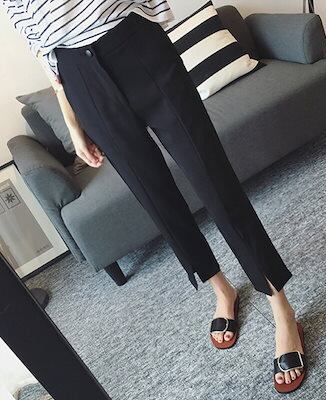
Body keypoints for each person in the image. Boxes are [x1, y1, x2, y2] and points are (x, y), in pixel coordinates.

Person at [3, 0, 306, 393]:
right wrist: (74, 124)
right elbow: (46, 50)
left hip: (135, 46)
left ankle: (281, 308)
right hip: (82, 81)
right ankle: (221, 288)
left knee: (216, 183)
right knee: (157, 200)